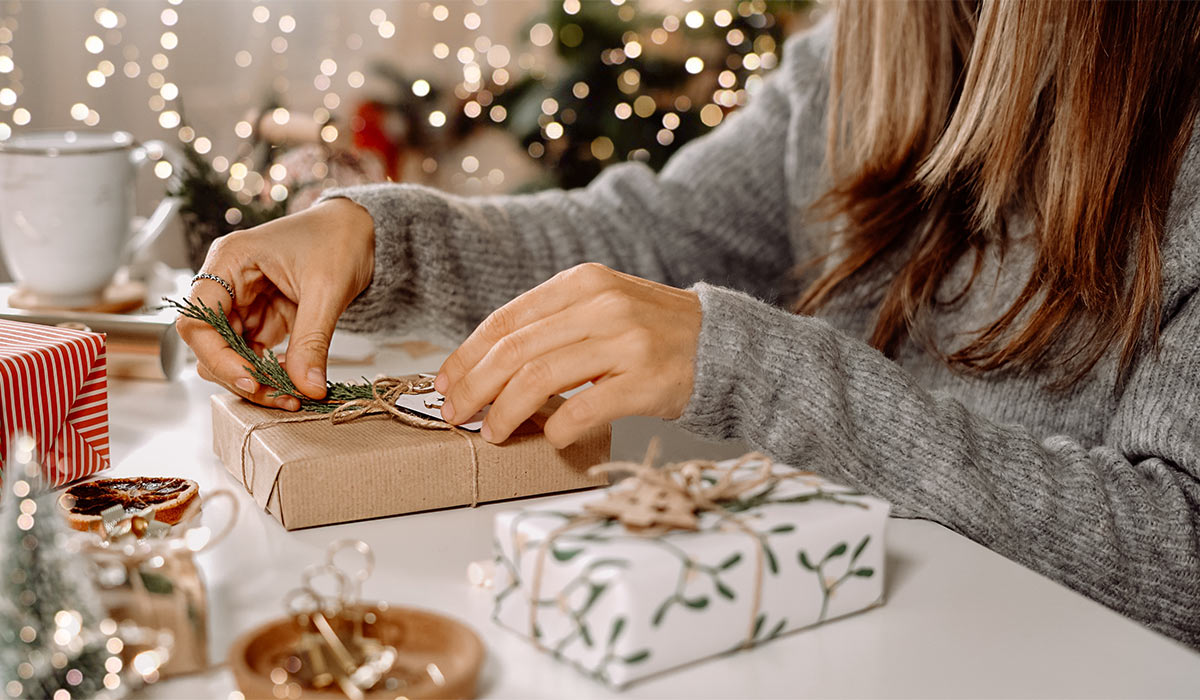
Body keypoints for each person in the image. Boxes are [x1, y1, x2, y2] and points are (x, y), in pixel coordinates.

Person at [179, 1, 1200, 648]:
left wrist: (759, 370)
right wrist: (372, 239)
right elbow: (651, 233)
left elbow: (1180, 553)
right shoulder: (862, 52)